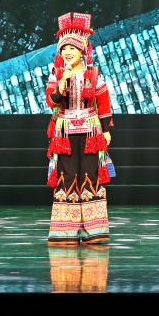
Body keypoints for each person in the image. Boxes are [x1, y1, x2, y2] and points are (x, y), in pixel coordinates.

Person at [44, 12, 115, 246]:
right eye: (64, 49)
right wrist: (61, 84)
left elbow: (103, 102)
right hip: (65, 135)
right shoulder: (56, 75)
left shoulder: (93, 74)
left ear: (82, 50)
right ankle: (66, 232)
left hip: (90, 133)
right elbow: (51, 101)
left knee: (90, 177)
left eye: (72, 48)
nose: (68, 52)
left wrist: (106, 130)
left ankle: (94, 231)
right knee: (67, 177)